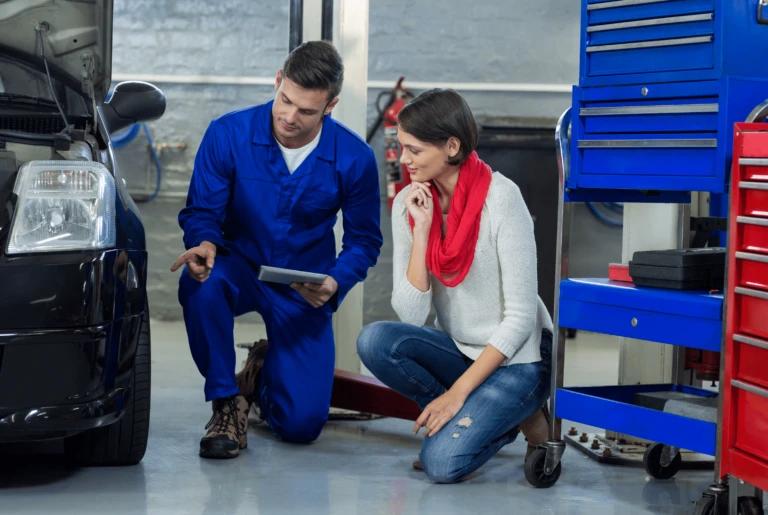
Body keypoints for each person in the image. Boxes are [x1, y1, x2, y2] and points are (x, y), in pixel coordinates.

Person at [171, 41, 383, 459]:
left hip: (302, 285)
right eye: (285, 100)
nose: (289, 117)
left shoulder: (354, 158)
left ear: (330, 106)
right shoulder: (228, 134)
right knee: (201, 284)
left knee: (300, 426)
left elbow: (364, 239)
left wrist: (336, 281)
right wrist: (204, 242)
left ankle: (260, 373)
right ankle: (227, 402)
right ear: (278, 81)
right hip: (236, 266)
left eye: (306, 111)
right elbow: (202, 211)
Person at [356, 89, 553, 483]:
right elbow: (411, 315)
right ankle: (482, 417)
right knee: (375, 341)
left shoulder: (502, 198)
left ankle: (515, 414)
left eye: (414, 150)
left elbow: (520, 319)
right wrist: (423, 230)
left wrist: (457, 393)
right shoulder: (410, 202)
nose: (404, 159)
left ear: (451, 146)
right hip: (461, 348)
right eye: (402, 147)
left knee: (442, 464)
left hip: (520, 356)